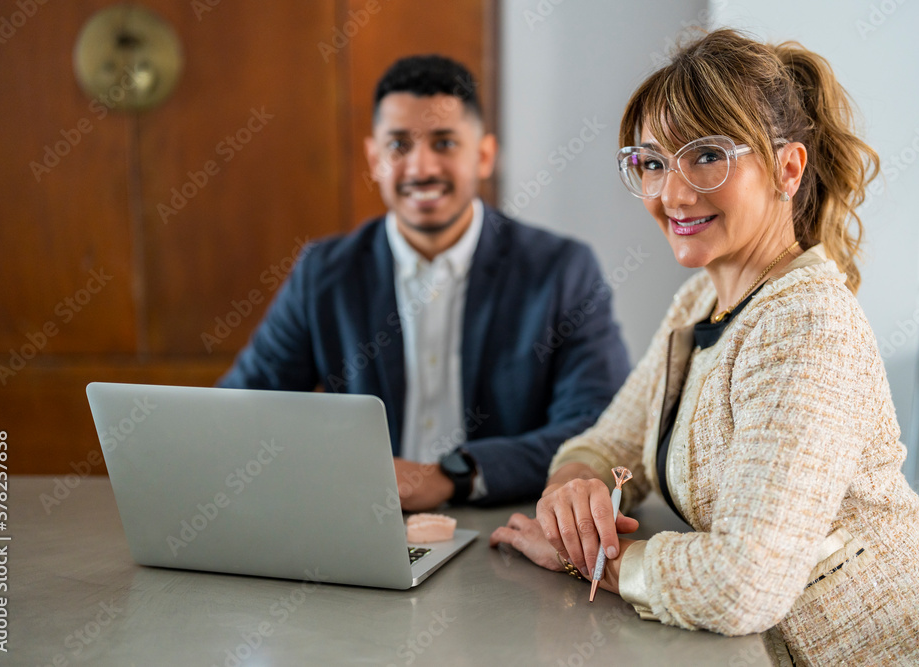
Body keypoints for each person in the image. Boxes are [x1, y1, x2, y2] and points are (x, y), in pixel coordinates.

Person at [490, 29, 919, 665]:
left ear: (788, 168)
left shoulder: (807, 323)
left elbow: (743, 584)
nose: (674, 193)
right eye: (653, 161)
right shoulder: (700, 303)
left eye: (707, 156)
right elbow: (609, 444)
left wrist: (594, 561)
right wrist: (573, 491)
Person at [218, 55, 630, 510]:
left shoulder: (562, 270)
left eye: (444, 142)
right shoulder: (324, 272)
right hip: (366, 523)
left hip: (507, 524)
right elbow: (245, 411)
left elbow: (600, 426)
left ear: (485, 156)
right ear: (374, 158)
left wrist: (454, 475)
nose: (420, 167)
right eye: (398, 145)